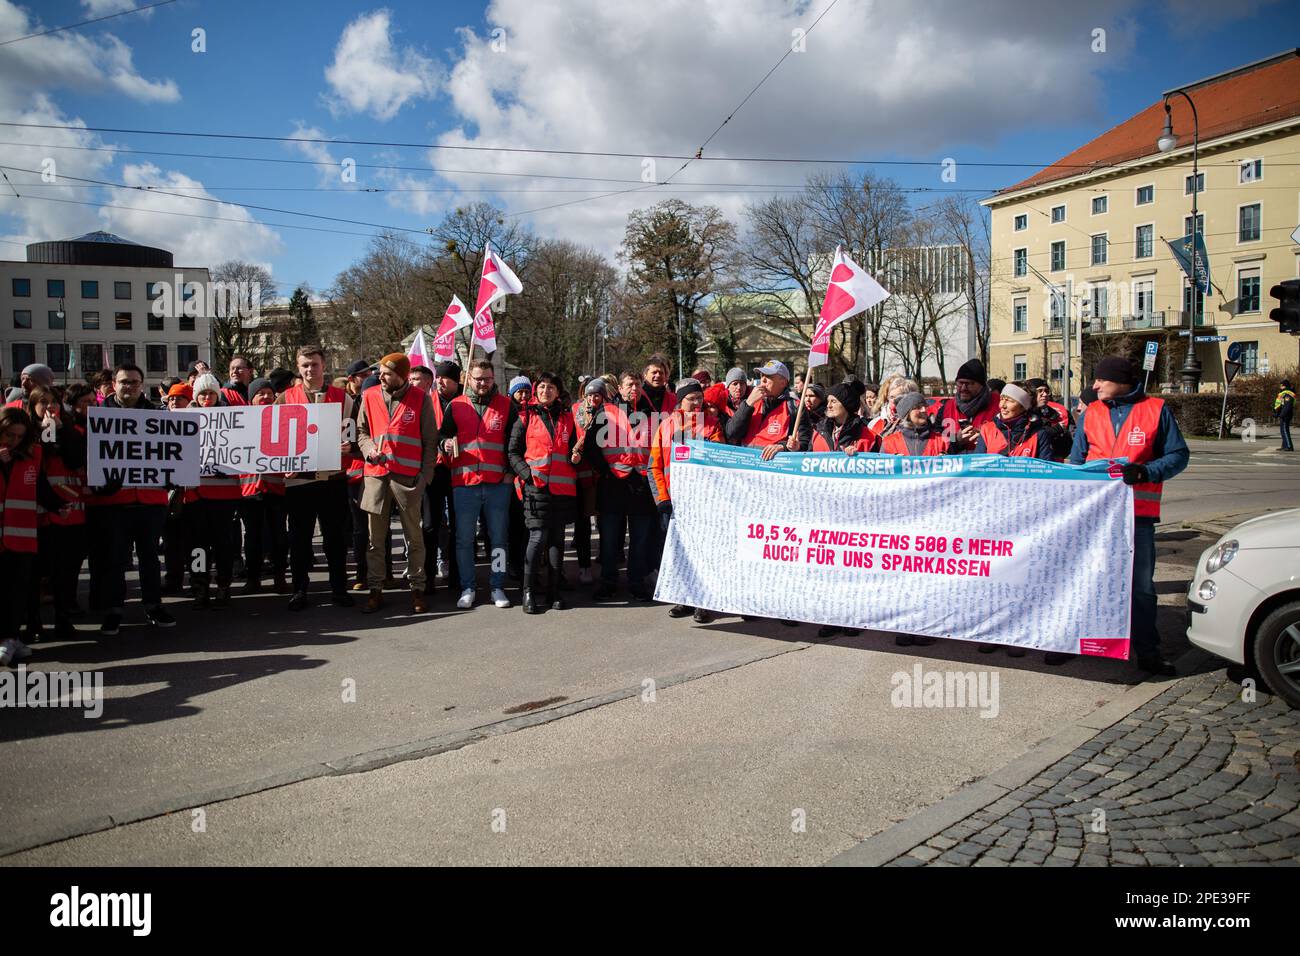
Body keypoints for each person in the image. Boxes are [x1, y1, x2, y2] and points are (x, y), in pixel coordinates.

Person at [1068, 355, 1189, 675]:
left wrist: (1146, 471)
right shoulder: (1091, 413)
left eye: (1100, 380)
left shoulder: (1156, 410)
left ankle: (1148, 652)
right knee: (1085, 580)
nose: (1093, 386)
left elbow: (1179, 455)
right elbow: (1077, 462)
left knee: (1140, 589)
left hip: (1138, 516)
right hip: (1095, 519)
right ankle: (1074, 642)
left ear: (1121, 380)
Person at [87, 363, 176, 635]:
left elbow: (171, 453)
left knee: (150, 558)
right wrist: (102, 485)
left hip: (150, 501)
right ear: (113, 384)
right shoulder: (99, 417)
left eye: (134, 382)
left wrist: (170, 477)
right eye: (124, 381)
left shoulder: (159, 415)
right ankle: (115, 610)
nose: (129, 386)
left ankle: (153, 605)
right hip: (114, 503)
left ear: (142, 384)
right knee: (115, 560)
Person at [357, 353, 441, 614]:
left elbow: (430, 441)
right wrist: (369, 448)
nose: (381, 377)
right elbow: (361, 432)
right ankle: (375, 589)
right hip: (376, 476)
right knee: (375, 540)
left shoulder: (420, 398)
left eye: (387, 373)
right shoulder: (369, 396)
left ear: (402, 376)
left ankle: (417, 588)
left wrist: (426, 477)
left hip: (408, 479)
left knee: (414, 538)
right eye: (381, 372)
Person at [279, 346, 357, 611]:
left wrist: (350, 447)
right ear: (298, 368)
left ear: (324, 366)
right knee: (299, 540)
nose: (309, 370)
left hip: (331, 479)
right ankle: (299, 589)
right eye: (304, 365)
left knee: (335, 539)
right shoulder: (285, 398)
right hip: (299, 482)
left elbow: (355, 435)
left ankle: (339, 589)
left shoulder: (342, 398)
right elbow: (275, 438)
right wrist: (281, 464)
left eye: (314, 364)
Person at [508, 372, 581, 613]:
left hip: (561, 490)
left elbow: (573, 451)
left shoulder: (569, 419)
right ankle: (528, 592)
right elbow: (513, 452)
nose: (545, 391)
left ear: (558, 392)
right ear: (535, 390)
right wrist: (527, 475)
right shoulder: (525, 416)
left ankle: (553, 591)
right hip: (535, 488)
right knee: (537, 538)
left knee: (557, 541)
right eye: (541, 387)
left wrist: (577, 456)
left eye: (551, 387)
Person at [651, 378, 722, 623]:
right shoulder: (666, 426)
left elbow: (718, 459)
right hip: (674, 501)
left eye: (699, 398)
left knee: (702, 552)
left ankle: (703, 602)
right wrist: (662, 497)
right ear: (681, 400)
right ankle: (684, 597)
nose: (697, 403)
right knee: (679, 553)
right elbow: (654, 466)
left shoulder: (712, 425)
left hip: (703, 500)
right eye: (692, 399)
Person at [0, 408, 67, 664]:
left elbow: (39, 486)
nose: (14, 441)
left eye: (19, 436)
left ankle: (11, 636)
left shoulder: (32, 454)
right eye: (9, 435)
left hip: (22, 535)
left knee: (18, 590)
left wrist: (57, 505)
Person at [448, 360, 516, 610]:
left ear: (493, 378)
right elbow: (443, 436)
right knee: (464, 540)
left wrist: (509, 473)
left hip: (498, 484)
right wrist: (445, 444)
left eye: (487, 378)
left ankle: (497, 586)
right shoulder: (455, 406)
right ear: (469, 378)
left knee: (499, 539)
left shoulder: (507, 406)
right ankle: (468, 587)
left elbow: (516, 444)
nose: (482, 383)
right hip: (464, 484)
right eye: (478, 378)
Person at [583, 370, 656, 601]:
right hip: (612, 483)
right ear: (620, 389)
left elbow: (658, 447)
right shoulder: (606, 412)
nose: (633, 388)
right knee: (609, 539)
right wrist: (605, 471)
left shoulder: (651, 414)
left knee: (640, 539)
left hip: (641, 484)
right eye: (628, 385)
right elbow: (590, 447)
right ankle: (608, 582)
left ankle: (636, 582)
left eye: (636, 384)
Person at [27, 387, 87, 642]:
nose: (49, 407)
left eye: (53, 402)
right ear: (33, 407)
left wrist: (62, 430)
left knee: (66, 572)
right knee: (35, 573)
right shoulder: (26, 434)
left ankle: (63, 618)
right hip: (37, 515)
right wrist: (45, 433)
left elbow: (75, 461)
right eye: (43, 402)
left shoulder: (73, 431)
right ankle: (33, 622)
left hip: (69, 513)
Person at [238, 378, 289, 595]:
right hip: (249, 491)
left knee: (279, 536)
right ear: (251, 400)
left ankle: (280, 577)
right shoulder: (240, 422)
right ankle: (253, 578)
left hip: (277, 489)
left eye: (270, 393)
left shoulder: (284, 421)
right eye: (261, 394)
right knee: (252, 538)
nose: (267, 397)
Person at [724, 360, 810, 459]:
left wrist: (784, 446)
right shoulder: (752, 401)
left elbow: (804, 443)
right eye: (762, 376)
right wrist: (748, 404)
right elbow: (731, 434)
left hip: (773, 469)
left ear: (783, 382)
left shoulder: (795, 406)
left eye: (769, 376)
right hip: (746, 465)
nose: (763, 380)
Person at [570, 377, 605, 584]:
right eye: (590, 394)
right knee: (581, 522)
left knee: (604, 522)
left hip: (600, 474)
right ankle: (584, 566)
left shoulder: (609, 412)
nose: (593, 398)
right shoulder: (574, 410)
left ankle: (605, 561)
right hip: (579, 473)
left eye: (598, 394)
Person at [970, 383, 1054, 458]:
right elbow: (977, 465)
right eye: (1002, 399)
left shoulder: (1038, 434)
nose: (1002, 405)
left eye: (1009, 401)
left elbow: (1046, 470)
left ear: (1023, 406)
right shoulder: (987, 430)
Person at [930, 359, 1001, 448]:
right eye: (960, 383)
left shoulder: (999, 406)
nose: (963, 388)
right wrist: (956, 440)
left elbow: (1009, 438)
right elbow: (937, 444)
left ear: (981, 385)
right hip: (956, 461)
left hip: (987, 460)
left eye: (969, 384)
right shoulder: (946, 409)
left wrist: (986, 438)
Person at [505, 375, 533, 581]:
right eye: (519, 392)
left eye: (526, 392)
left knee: (528, 525)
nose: (523, 396)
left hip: (531, 475)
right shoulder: (507, 412)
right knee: (514, 524)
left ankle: (529, 565)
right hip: (512, 475)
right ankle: (514, 563)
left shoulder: (535, 412)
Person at [1274, 379, 1294, 452]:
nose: (1280, 387)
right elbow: (1281, 404)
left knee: (1285, 431)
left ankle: (1289, 446)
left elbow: (1287, 406)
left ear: (1284, 386)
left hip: (1286, 415)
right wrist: (1277, 413)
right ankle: (1284, 446)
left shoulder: (1287, 394)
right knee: (1283, 431)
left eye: (1281, 385)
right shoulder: (1284, 393)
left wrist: (1282, 414)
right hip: (1284, 414)